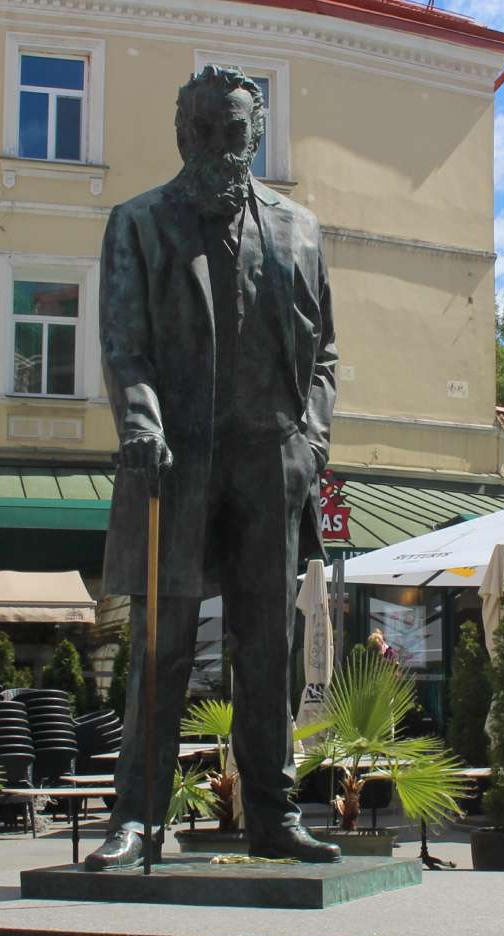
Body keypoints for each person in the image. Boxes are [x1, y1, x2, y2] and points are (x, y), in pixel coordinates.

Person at [84, 67, 341, 870]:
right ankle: (136, 819)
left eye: (237, 132)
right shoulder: (140, 223)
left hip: (273, 461)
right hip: (178, 463)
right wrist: (140, 418)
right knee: (160, 647)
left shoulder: (301, 229)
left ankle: (273, 814)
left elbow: (325, 351)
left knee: (268, 647)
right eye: (207, 131)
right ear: (183, 134)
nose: (223, 147)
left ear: (255, 135)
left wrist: (312, 442)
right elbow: (124, 346)